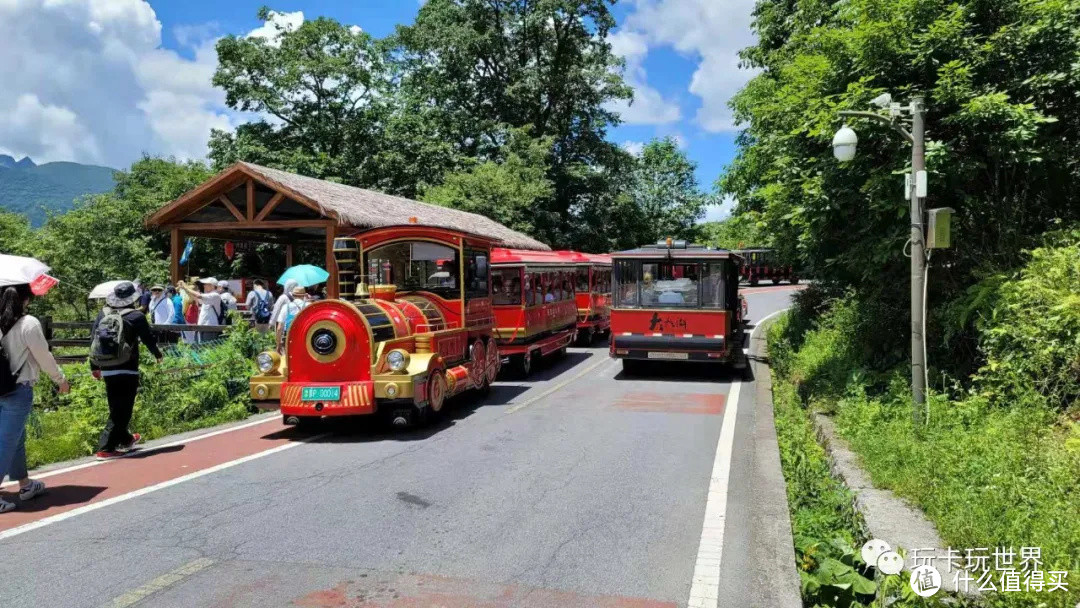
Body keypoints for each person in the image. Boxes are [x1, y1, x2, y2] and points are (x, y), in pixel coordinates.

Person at [0, 284, 69, 512]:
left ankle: (25, 484)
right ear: (26, 299)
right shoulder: (28, 323)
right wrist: (60, 379)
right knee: (7, 442)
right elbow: (43, 355)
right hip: (17, 389)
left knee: (15, 438)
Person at [90, 282, 163, 461]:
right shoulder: (136, 315)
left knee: (117, 406)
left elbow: (93, 339)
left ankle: (126, 439)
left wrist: (94, 366)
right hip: (127, 367)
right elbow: (148, 338)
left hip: (106, 367)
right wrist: (157, 354)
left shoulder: (103, 314)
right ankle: (105, 448)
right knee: (123, 409)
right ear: (133, 298)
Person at [178, 277, 223, 343]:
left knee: (208, 348)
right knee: (199, 348)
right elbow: (195, 297)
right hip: (202, 327)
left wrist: (186, 287)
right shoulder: (208, 296)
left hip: (210, 328)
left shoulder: (215, 295)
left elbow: (198, 296)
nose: (204, 286)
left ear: (212, 286)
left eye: (206, 284)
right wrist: (185, 289)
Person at [276, 285, 310, 352]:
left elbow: (279, 328)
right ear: (304, 295)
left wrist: (278, 344)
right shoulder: (308, 306)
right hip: (305, 337)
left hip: (289, 337)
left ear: (293, 295)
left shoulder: (286, 307)